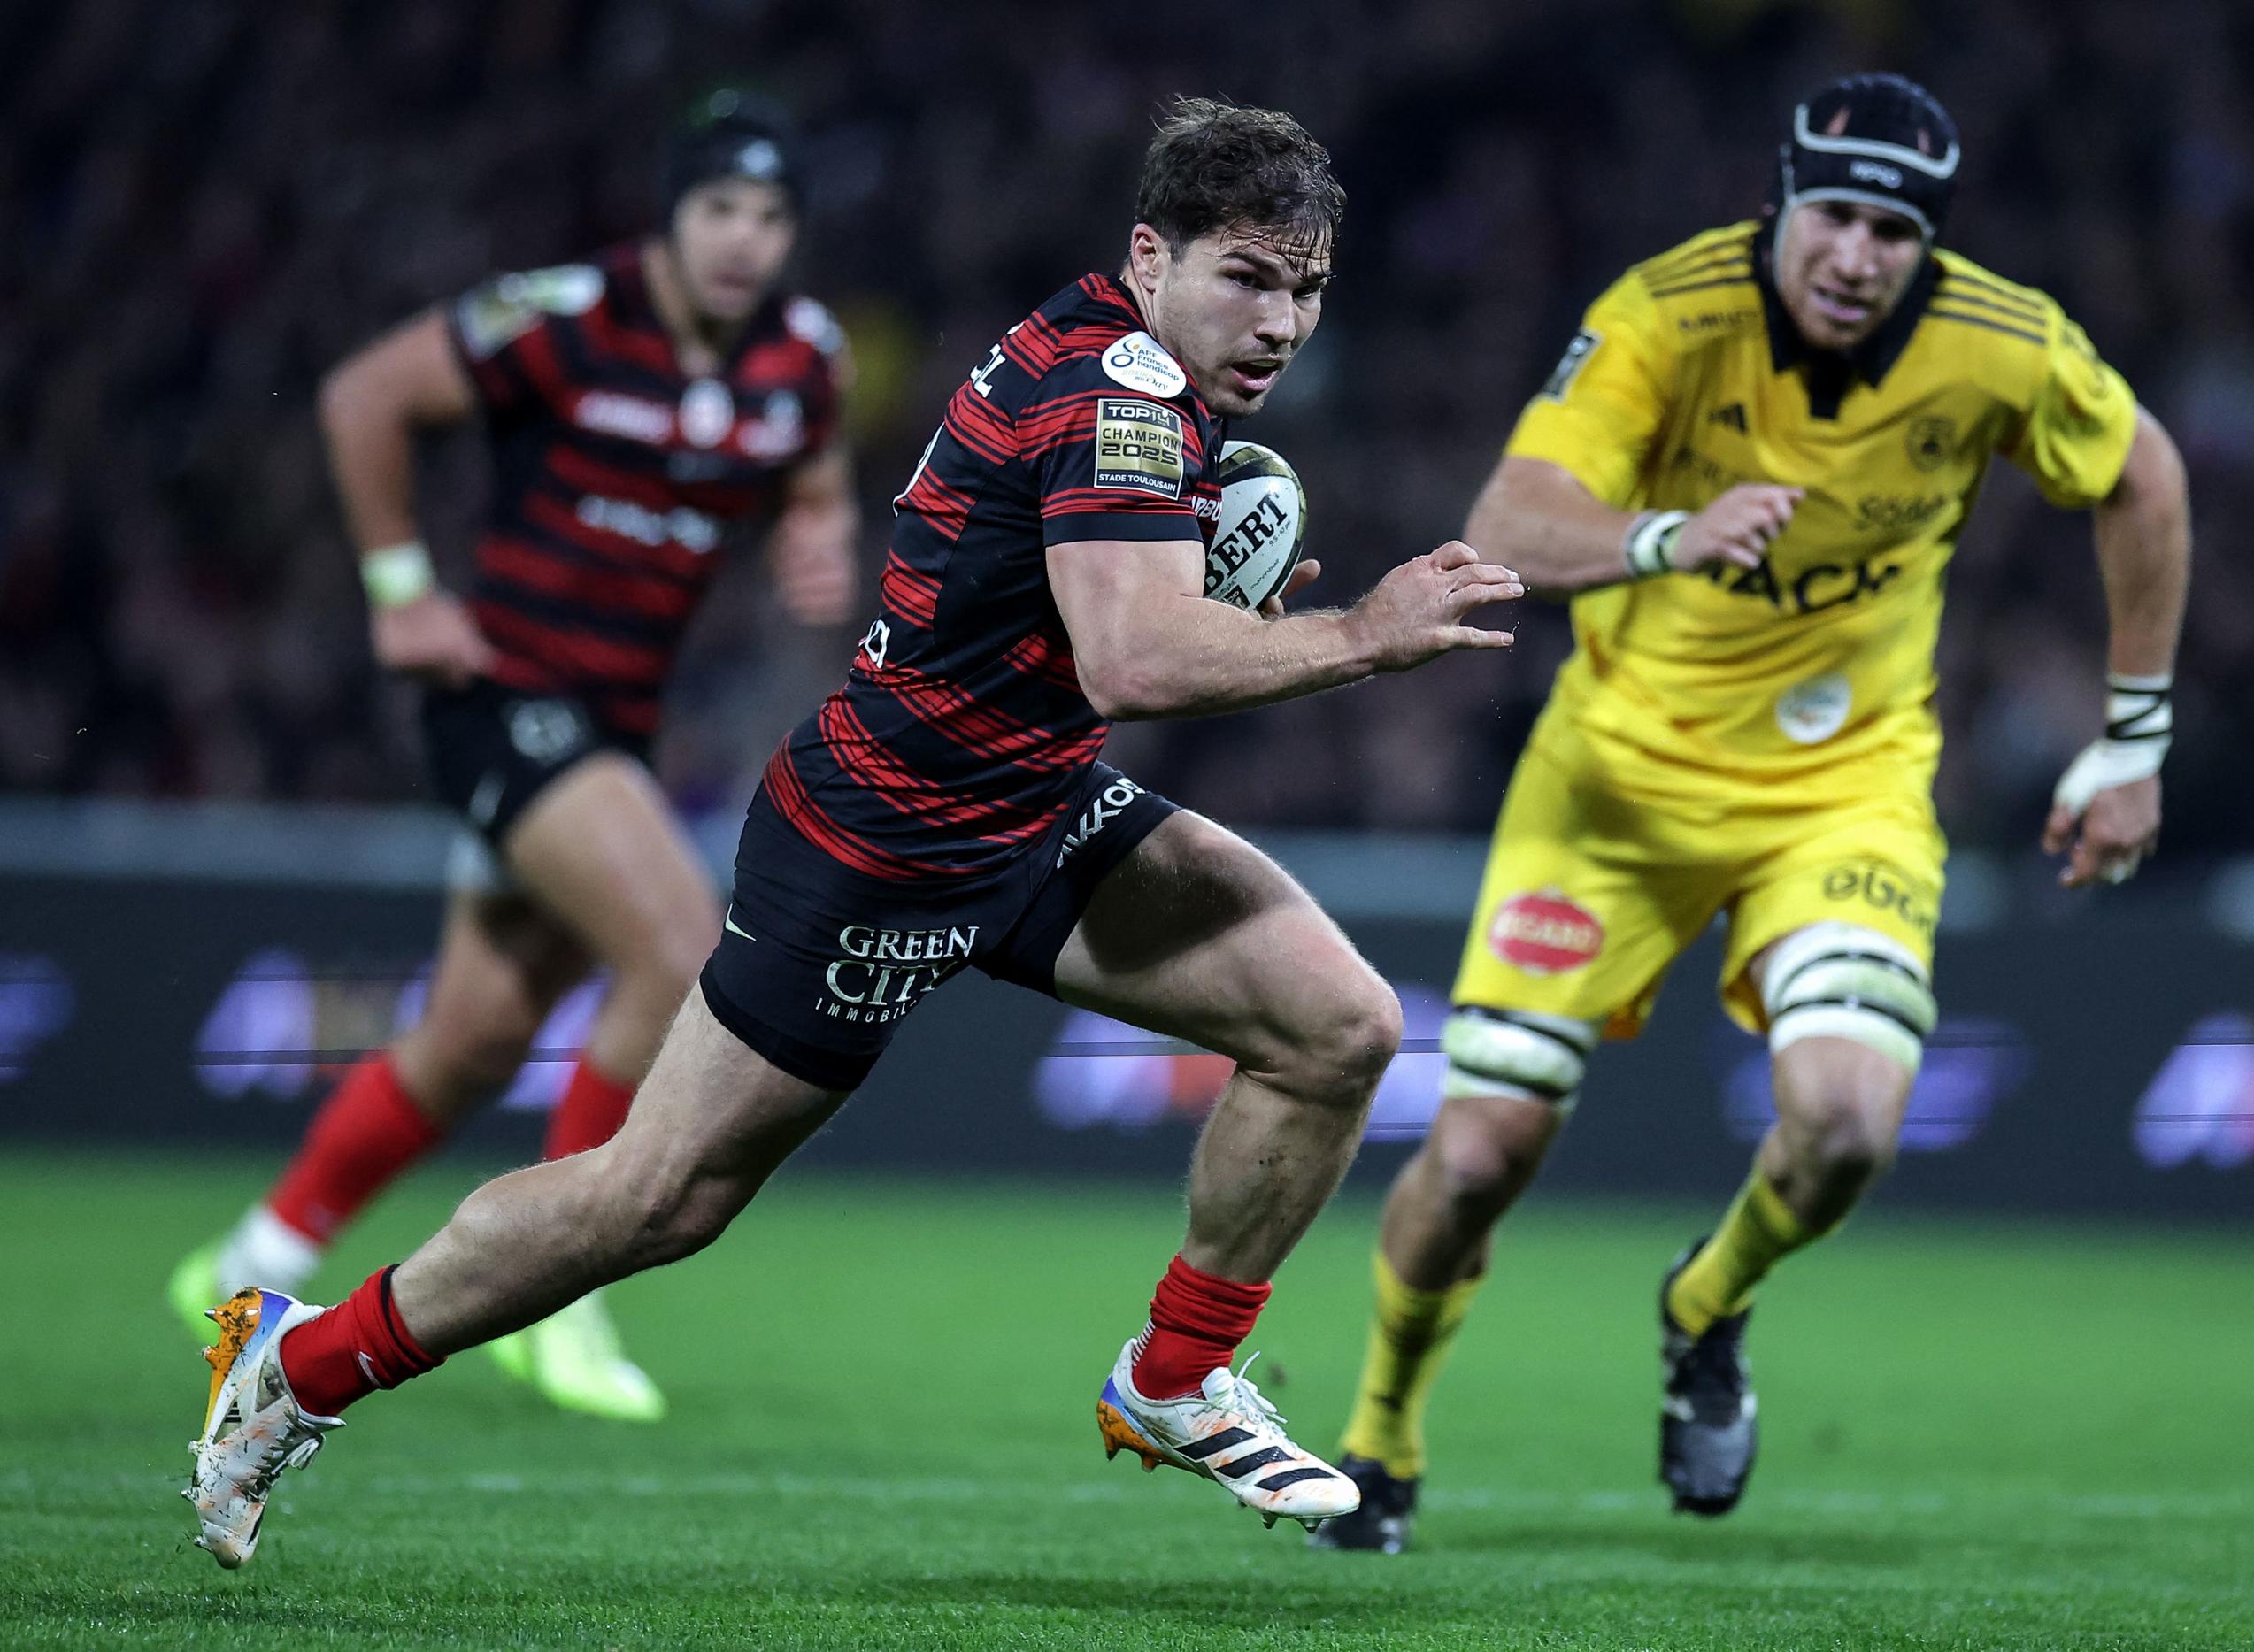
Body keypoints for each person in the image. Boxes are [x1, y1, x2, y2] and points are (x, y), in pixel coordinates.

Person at [182, 96, 1527, 1568]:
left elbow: (1084, 621)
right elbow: (1135, 663)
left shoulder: (1126, 371)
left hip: (1031, 807)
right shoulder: (1123, 390)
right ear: (1150, 256)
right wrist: (1364, 634)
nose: (1280, 322)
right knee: (657, 1201)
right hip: (883, 841)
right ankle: (294, 1366)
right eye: (1247, 278)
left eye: (1306, 288)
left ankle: (1175, 1377)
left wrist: (1214, 604)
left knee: (1336, 1026)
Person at [1311, 73, 2192, 1553]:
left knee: (1844, 1126)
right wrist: (1670, 533)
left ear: (1930, 245)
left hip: (1842, 793)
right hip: (1614, 790)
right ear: (1781, 201)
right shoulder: (1668, 313)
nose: (1858, 255)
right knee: (1472, 1162)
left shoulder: (2003, 341)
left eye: (1894, 233)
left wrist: (2135, 740)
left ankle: (1705, 1304)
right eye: (1834, 216)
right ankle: (1381, 1438)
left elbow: (2144, 474)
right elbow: (1508, 523)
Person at [167, 90, 861, 1424]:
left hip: (613, 726)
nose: (744, 239)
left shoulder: (803, 359)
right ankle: (561, 1291)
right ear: (671, 215)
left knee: (473, 1039)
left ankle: (249, 1262)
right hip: (504, 699)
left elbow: (816, 470)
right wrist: (398, 589)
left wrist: (813, 531)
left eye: (772, 217)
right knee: (678, 944)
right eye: (720, 207)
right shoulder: (566, 317)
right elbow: (365, 395)